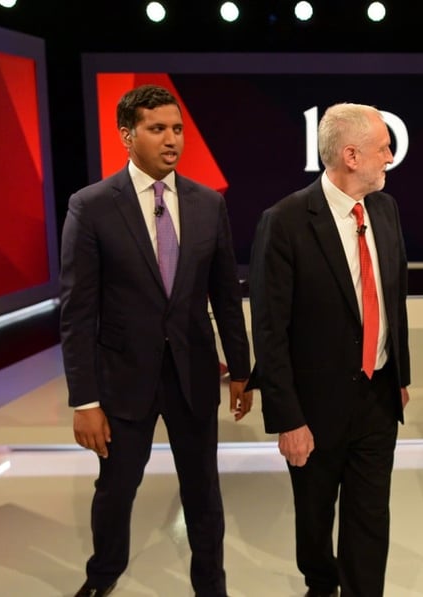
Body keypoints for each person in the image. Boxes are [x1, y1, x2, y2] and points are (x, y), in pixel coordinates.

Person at [60, 84, 252, 597]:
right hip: (122, 380)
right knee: (117, 490)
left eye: (177, 129)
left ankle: (211, 586)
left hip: (192, 373)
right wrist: (84, 400)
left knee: (204, 493)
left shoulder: (208, 204)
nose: (172, 140)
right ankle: (102, 578)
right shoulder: (93, 206)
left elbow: (224, 297)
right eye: (157, 129)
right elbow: (77, 311)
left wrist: (240, 368)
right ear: (128, 135)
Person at [248, 103, 411, 597]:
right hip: (314, 409)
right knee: (315, 519)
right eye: (383, 146)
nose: (390, 155)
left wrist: (399, 374)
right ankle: (321, 585)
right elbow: (271, 329)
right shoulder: (286, 220)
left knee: (370, 516)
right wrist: (287, 418)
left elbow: (393, 300)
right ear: (351, 154)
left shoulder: (385, 208)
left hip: (378, 396)